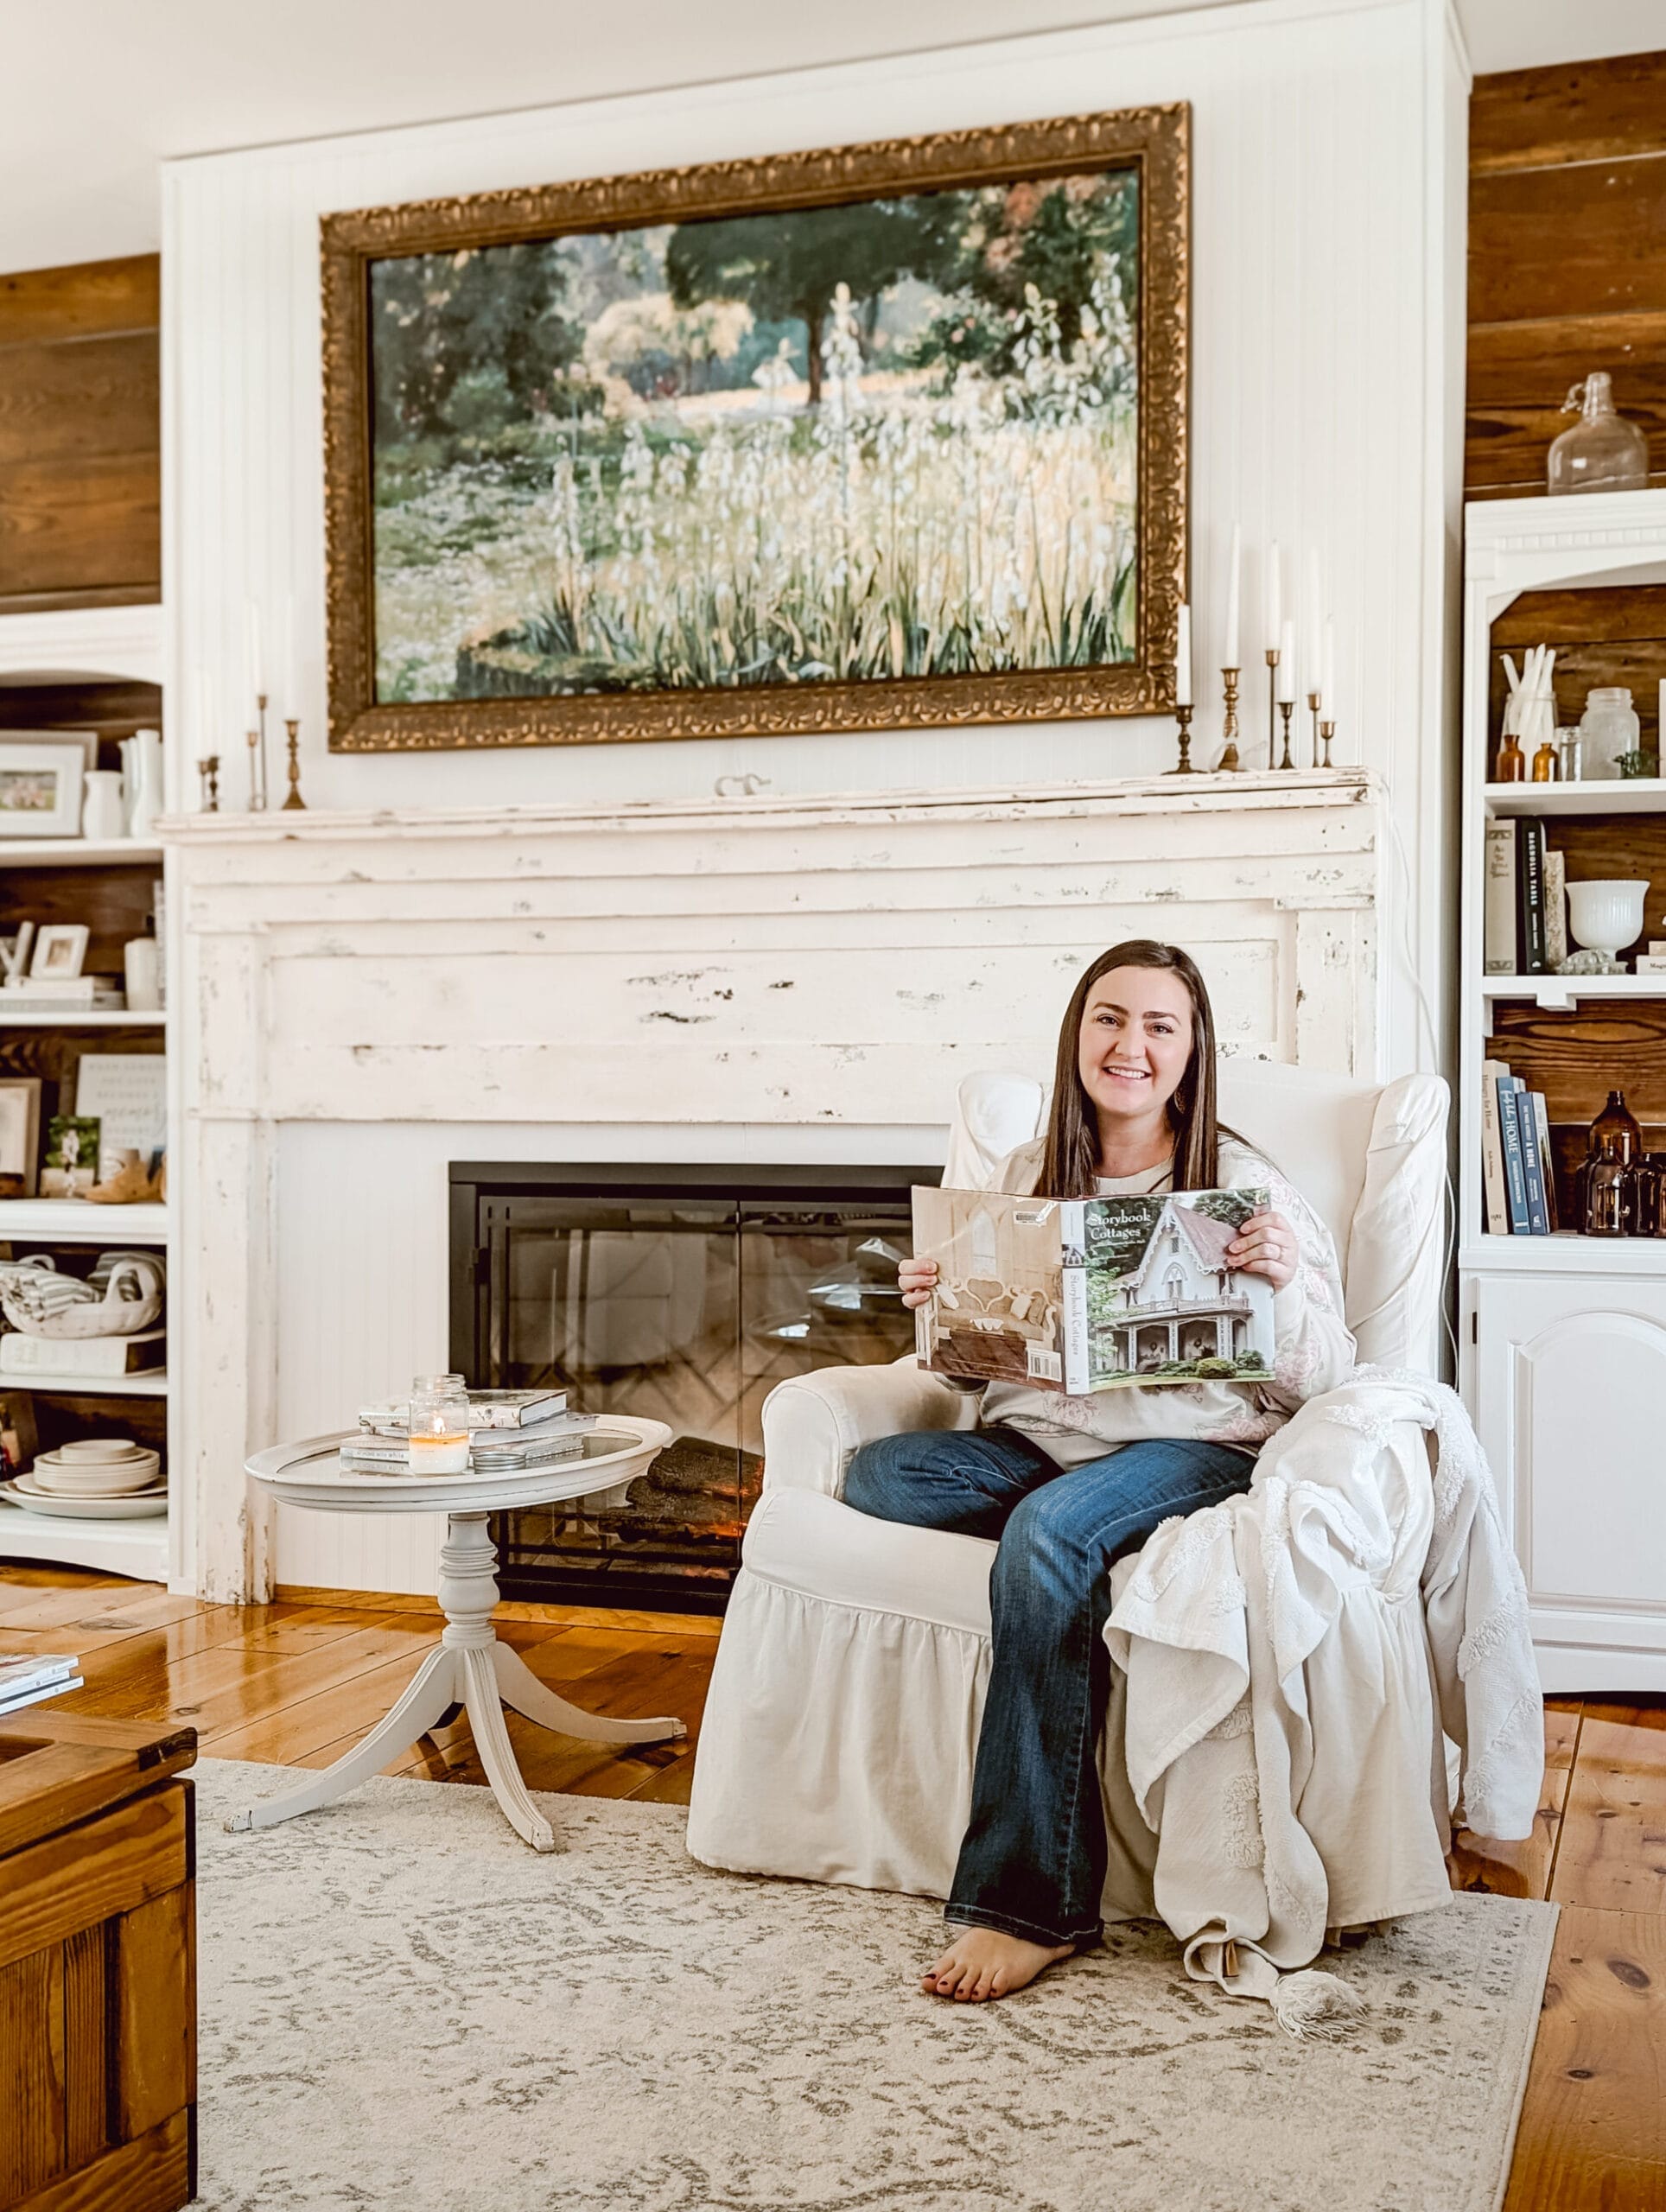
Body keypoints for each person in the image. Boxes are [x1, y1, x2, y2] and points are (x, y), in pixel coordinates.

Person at [842, 939, 1355, 2004]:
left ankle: (1030, 1907)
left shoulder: (1240, 1183)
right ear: (1077, 1034)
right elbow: (972, 1370)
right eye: (1109, 1019)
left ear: (1190, 1050)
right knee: (880, 1475)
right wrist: (940, 1309)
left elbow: (1324, 1378)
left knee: (1045, 1536)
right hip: (1045, 1447)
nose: (1130, 1045)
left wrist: (1282, 1284)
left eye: (1159, 1025)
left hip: (1191, 1449)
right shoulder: (1027, 1175)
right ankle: (1076, 1524)